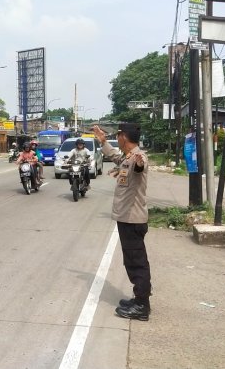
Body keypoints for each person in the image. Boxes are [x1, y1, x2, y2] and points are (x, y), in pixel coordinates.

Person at [93, 123, 151, 321]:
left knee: (137, 263)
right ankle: (138, 298)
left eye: (117, 136)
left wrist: (140, 161)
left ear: (124, 137)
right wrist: (102, 140)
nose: (116, 139)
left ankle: (142, 305)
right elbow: (116, 158)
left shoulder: (137, 157)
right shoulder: (127, 157)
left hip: (133, 219)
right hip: (127, 218)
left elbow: (140, 165)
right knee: (131, 261)